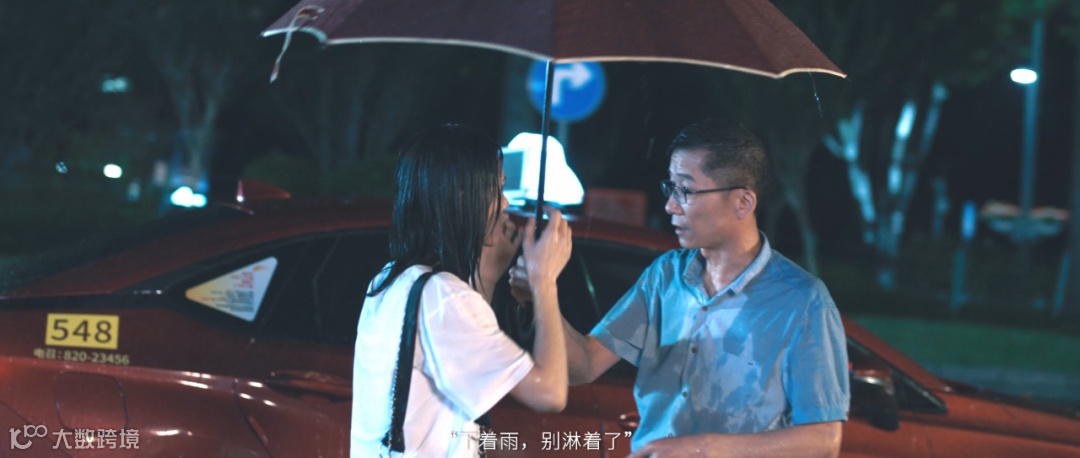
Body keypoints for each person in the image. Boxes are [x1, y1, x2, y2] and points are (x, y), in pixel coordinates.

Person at [511, 119, 850, 458]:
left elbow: (824, 440)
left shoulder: (802, 300)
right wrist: (543, 294)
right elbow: (583, 366)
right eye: (670, 188)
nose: (670, 205)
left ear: (743, 202)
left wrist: (703, 448)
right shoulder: (664, 276)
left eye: (685, 191)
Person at [351, 124, 573, 457]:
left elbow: (459, 362)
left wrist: (487, 277)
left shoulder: (393, 279)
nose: (504, 203)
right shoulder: (444, 297)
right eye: (497, 187)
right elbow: (550, 394)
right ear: (461, 195)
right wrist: (544, 281)